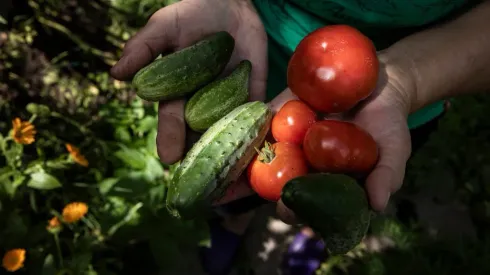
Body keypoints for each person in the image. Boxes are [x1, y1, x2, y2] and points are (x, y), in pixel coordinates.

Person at [110, 0, 490, 274]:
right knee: (239, 189)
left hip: (380, 101)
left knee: (324, 192)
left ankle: (311, 231)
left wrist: (413, 78)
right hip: (256, 55)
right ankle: (234, 224)